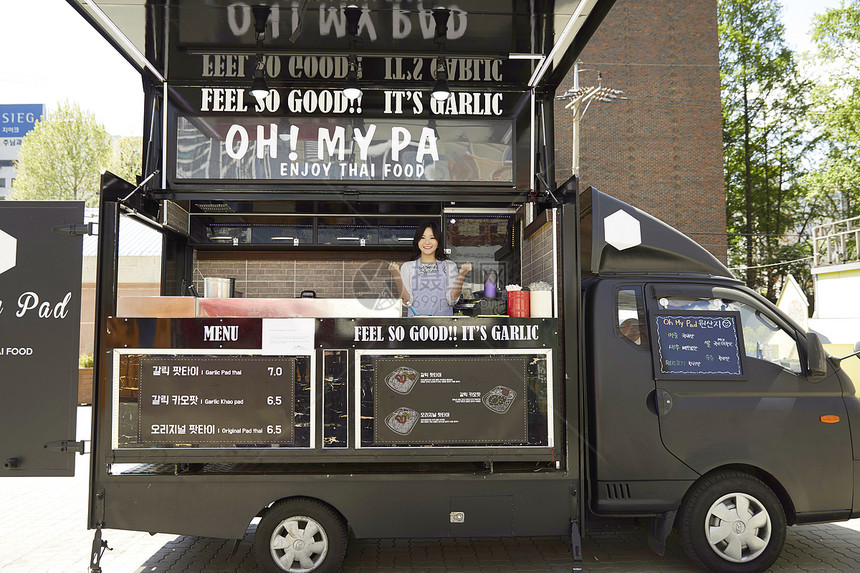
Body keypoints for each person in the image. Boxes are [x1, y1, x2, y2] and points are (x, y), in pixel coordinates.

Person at [388, 221, 472, 316]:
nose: (427, 242)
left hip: (443, 325)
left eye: (432, 238)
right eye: (423, 238)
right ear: (417, 241)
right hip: (416, 326)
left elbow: (452, 300)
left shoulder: (449, 266)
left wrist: (462, 275)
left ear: (438, 242)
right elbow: (407, 302)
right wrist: (396, 277)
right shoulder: (408, 267)